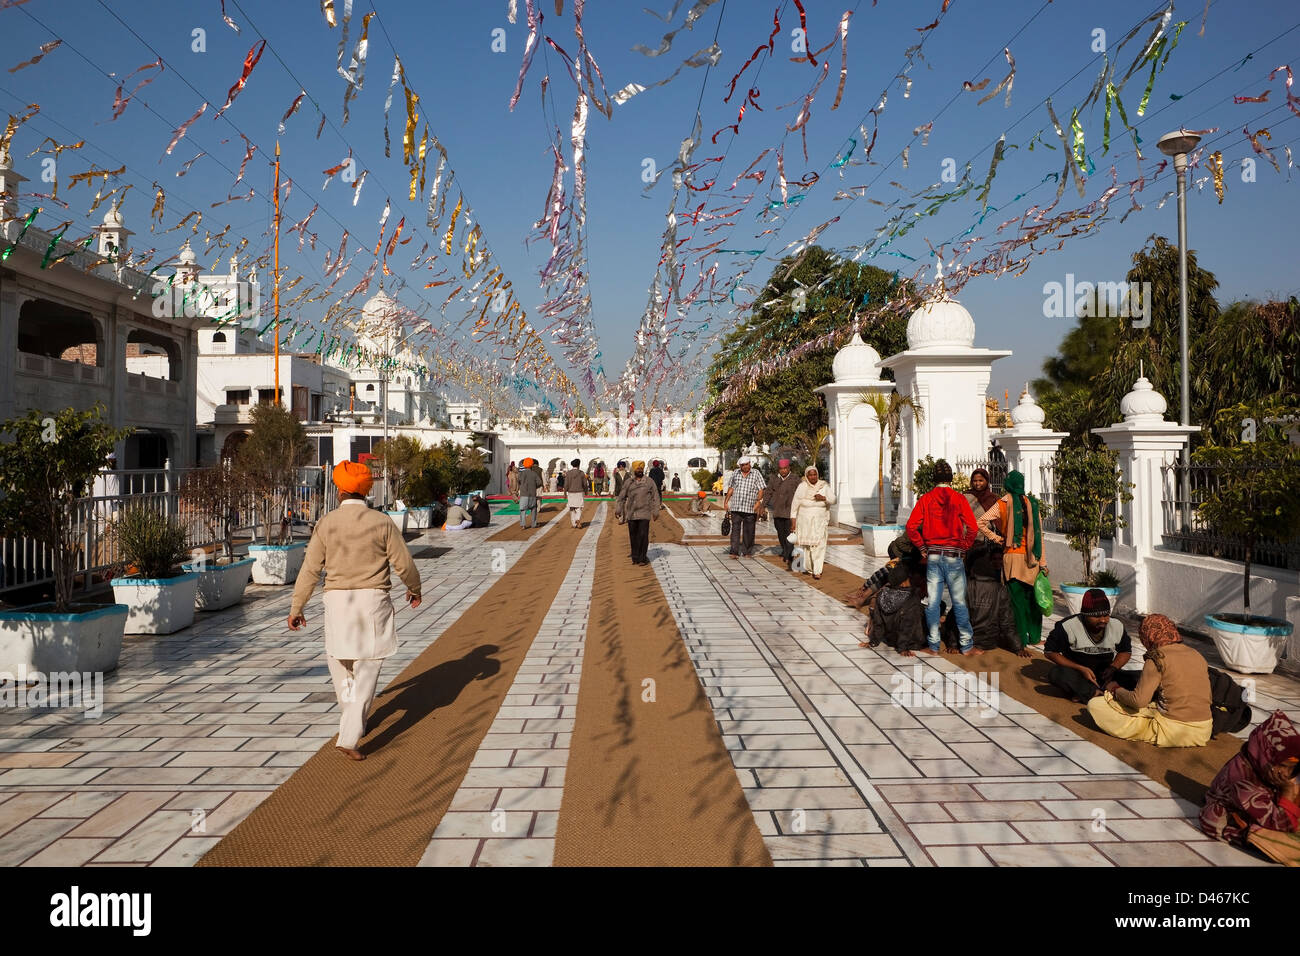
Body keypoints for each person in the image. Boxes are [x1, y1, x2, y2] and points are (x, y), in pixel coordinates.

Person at [288, 460, 421, 761]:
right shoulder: (382, 522)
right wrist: (414, 588)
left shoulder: (326, 523)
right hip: (372, 601)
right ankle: (350, 735)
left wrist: (297, 607)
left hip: (336, 602)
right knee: (367, 668)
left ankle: (352, 721)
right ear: (365, 491)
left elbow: (310, 569)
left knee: (341, 665)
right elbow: (403, 563)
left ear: (339, 490)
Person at [1086, 614, 1213, 748]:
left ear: (1148, 636)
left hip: (1174, 732)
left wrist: (1115, 689)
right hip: (1204, 730)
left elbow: (1138, 701)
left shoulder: (1157, 657)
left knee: (1095, 705)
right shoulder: (1196, 654)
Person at [1200, 710, 1300, 866]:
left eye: (1291, 768)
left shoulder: (1264, 770)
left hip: (1264, 810)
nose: (1285, 773)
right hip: (1235, 819)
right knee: (1279, 838)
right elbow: (1284, 824)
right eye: (1281, 765)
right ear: (1265, 755)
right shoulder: (1243, 782)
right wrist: (1288, 792)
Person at [906, 458, 979, 656]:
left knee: (933, 602)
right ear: (951, 478)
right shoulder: (959, 498)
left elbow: (911, 527)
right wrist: (964, 547)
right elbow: (973, 527)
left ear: (934, 478)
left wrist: (922, 547)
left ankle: (933, 645)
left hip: (934, 556)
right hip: (954, 556)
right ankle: (967, 645)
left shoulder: (926, 499)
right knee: (959, 602)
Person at [978, 470, 1048, 652]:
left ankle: (1021, 640)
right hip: (1032, 558)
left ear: (1007, 484)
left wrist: (998, 538)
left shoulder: (1002, 503)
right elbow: (1039, 535)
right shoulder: (1032, 503)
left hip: (1012, 557)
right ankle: (1035, 637)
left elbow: (981, 522)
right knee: (1032, 601)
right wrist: (1043, 563)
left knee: (1016, 602)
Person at [1043, 588, 1139, 702]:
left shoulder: (1117, 625)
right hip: (1078, 675)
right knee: (1057, 673)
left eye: (1106, 615)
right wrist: (1080, 668)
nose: (1103, 620)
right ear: (1085, 615)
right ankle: (1093, 693)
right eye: (1097, 616)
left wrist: (1113, 667)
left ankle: (1096, 691)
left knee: (1142, 677)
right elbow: (1049, 652)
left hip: (1105, 675)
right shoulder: (1068, 626)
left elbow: (1125, 651)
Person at [940, 544, 1024, 656]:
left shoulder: (965, 587)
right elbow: (1007, 622)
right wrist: (1018, 648)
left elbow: (956, 619)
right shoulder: (1000, 589)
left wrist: (953, 644)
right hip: (989, 642)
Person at [864, 535, 929, 653]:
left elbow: (878, 623)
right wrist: (902, 648)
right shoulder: (911, 597)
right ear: (904, 582)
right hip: (909, 642)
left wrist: (873, 641)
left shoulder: (882, 594)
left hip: (889, 639)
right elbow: (907, 625)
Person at [789, 465, 836, 580]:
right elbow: (794, 506)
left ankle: (817, 570)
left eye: (815, 474)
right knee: (808, 547)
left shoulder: (823, 486)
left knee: (819, 545)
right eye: (810, 475)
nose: (813, 477)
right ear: (807, 476)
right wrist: (793, 522)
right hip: (804, 522)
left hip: (819, 521)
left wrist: (823, 498)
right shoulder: (802, 487)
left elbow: (834, 499)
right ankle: (810, 568)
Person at [617, 460, 662, 566]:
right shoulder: (629, 482)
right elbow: (621, 496)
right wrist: (618, 509)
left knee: (643, 535)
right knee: (633, 536)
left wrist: (656, 511)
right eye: (638, 469)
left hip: (644, 512)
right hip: (632, 513)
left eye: (641, 469)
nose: (639, 471)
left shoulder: (649, 481)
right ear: (633, 470)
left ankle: (642, 558)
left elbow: (656, 496)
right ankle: (635, 557)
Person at [758, 458, 799, 568]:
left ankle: (789, 555)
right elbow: (768, 493)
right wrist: (763, 506)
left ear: (789, 468)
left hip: (790, 512)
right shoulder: (774, 479)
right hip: (777, 511)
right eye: (781, 469)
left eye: (785, 468)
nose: (783, 471)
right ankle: (785, 550)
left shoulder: (795, 479)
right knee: (781, 534)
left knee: (789, 534)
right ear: (779, 469)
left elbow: (801, 493)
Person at [722, 456, 765, 559]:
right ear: (740, 466)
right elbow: (731, 488)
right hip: (736, 507)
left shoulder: (756, 473)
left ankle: (747, 552)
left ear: (750, 464)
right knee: (735, 530)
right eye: (742, 465)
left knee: (749, 531)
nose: (745, 467)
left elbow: (761, 489)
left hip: (750, 508)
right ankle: (734, 552)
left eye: (746, 464)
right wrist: (726, 501)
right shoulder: (736, 473)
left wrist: (758, 502)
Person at [516, 457, 542, 529]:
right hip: (532, 494)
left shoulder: (521, 473)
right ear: (532, 465)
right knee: (533, 509)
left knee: (522, 510)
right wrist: (534, 486)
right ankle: (533, 524)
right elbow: (539, 482)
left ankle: (523, 525)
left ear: (524, 464)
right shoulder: (534, 473)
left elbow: (518, 481)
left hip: (524, 494)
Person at [563, 458, 588, 528]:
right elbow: (585, 484)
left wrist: (565, 493)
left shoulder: (568, 473)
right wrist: (586, 491)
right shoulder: (581, 473)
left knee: (572, 508)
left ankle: (574, 524)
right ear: (579, 465)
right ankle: (577, 519)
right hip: (579, 492)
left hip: (571, 493)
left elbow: (566, 484)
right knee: (579, 508)